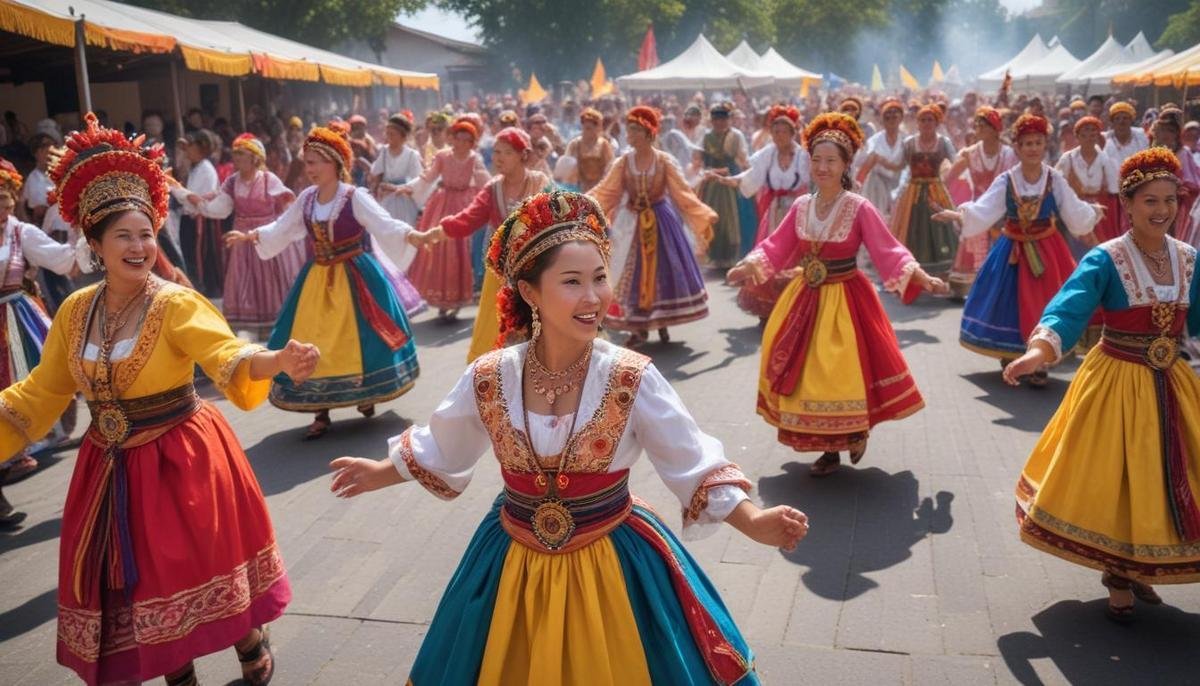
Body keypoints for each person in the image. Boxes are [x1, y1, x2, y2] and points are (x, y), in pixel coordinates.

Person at [328, 190, 808, 684]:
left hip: (614, 557)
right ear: (530, 292)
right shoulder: (490, 376)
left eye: (600, 277)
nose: (593, 297)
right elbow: (444, 444)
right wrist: (379, 472)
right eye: (572, 281)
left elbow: (692, 459)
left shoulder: (630, 377)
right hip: (511, 556)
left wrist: (754, 521)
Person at [0, 112, 319, 686]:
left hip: (181, 457)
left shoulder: (174, 302)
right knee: (142, 583)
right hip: (109, 465)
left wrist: (276, 361)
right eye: (123, 235)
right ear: (94, 244)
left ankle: (248, 637)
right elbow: (42, 391)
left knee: (202, 565)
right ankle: (179, 675)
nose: (140, 245)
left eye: (146, 233)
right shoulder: (74, 311)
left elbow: (226, 353)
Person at [1004, 147, 1200, 622]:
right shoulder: (1106, 258)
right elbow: (1069, 308)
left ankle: (1138, 564)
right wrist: (1039, 352)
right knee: (1118, 476)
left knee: (1162, 475)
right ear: (1127, 205)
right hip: (1115, 381)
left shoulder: (1189, 259)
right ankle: (1118, 572)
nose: (1162, 210)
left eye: (1169, 200)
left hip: (1172, 382)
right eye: (1150, 200)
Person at [726, 113, 947, 477]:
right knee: (807, 371)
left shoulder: (859, 207)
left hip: (846, 298)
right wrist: (747, 266)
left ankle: (855, 431)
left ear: (846, 165)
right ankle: (829, 447)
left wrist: (921, 277)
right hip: (804, 297)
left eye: (831, 160)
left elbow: (888, 250)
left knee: (841, 371)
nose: (822, 167)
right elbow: (776, 245)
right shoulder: (801, 206)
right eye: (816, 159)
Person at [225, 124, 423, 439]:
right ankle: (320, 409)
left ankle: (365, 392)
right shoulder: (307, 198)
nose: (310, 169)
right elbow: (283, 227)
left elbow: (383, 224)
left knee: (363, 336)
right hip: (316, 278)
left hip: (355, 276)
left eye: (315, 162)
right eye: (307, 163)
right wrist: (250, 235)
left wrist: (413, 235)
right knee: (310, 338)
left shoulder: (354, 196)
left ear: (334, 163)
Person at [933, 114, 1102, 386]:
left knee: (1046, 303)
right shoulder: (1007, 179)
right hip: (1012, 249)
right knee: (1008, 301)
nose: (1033, 148)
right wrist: (956, 215)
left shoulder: (1054, 178)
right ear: (1018, 148)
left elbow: (1072, 209)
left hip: (1048, 250)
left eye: (1038, 143)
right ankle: (1011, 351)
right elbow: (985, 209)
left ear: (1045, 145)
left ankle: (1040, 360)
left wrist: (1091, 213)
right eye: (1027, 144)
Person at [413, 127, 552, 363]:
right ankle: (490, 373)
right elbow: (468, 218)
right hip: (500, 271)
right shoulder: (493, 188)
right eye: (496, 152)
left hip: (535, 270)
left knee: (538, 325)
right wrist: (433, 234)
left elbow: (555, 219)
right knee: (493, 325)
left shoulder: (540, 183)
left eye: (507, 152)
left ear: (523, 155)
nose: (498, 158)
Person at [588, 106, 715, 346]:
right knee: (630, 273)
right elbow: (606, 191)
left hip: (661, 223)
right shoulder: (623, 162)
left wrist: (704, 214)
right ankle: (639, 328)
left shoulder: (664, 161)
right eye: (629, 130)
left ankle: (660, 321)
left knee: (661, 271)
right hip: (631, 223)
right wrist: (582, 204)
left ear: (649, 132)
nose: (630, 135)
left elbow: (682, 193)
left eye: (635, 130)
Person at [0, 157, 79, 496]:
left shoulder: (22, 232)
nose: (2, 207)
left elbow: (63, 261)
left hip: (16, 316)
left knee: (23, 375)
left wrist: (79, 232)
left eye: (5, 199)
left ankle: (21, 445)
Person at [184, 134, 305, 339]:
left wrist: (284, 230)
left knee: (270, 280)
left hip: (264, 238)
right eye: (235, 154)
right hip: (241, 240)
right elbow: (220, 209)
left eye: (241, 154)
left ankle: (273, 327)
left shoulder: (268, 180)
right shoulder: (233, 182)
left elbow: (287, 207)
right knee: (244, 280)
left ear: (255, 158)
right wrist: (194, 200)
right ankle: (250, 325)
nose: (236, 159)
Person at [716, 105, 810, 320]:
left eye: (783, 131)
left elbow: (813, 182)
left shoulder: (803, 157)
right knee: (770, 255)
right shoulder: (768, 154)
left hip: (797, 213)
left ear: (793, 133)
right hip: (774, 213)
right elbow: (751, 177)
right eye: (775, 131)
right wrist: (729, 181)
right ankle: (769, 305)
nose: (778, 136)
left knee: (796, 258)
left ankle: (795, 305)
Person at [401, 116, 490, 319]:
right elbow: (428, 176)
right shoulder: (442, 156)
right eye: (458, 138)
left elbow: (485, 182)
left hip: (463, 204)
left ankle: (457, 297)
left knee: (460, 249)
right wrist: (408, 188)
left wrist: (495, 196)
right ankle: (441, 295)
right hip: (442, 203)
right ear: (452, 138)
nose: (462, 143)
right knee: (438, 247)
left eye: (467, 140)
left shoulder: (474, 159)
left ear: (472, 143)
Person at [941, 106, 1019, 298]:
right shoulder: (970, 153)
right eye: (977, 125)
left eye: (984, 125)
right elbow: (948, 179)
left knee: (1001, 255)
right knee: (974, 260)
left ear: (995, 128)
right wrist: (943, 199)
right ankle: (976, 292)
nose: (979, 128)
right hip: (977, 211)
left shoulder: (1009, 154)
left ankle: (998, 290)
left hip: (1002, 214)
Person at [366, 113, 427, 316]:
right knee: (386, 241)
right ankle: (393, 287)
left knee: (404, 240)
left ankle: (407, 288)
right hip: (387, 202)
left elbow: (418, 180)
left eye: (393, 134)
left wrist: (398, 187)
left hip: (404, 201)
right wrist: (375, 183)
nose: (389, 137)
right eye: (388, 133)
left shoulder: (410, 155)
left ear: (402, 135)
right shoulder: (384, 152)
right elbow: (375, 172)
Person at [889, 104, 959, 277]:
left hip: (936, 189)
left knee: (940, 224)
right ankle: (912, 268)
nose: (926, 123)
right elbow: (898, 165)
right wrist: (877, 161)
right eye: (922, 120)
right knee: (911, 226)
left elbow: (956, 163)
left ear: (937, 123)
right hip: (913, 191)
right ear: (917, 123)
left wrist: (949, 176)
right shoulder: (909, 143)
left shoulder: (943, 142)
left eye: (930, 120)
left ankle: (942, 267)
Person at [698, 102, 757, 267]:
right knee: (713, 218)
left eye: (723, 119)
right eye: (716, 119)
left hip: (731, 181)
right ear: (711, 121)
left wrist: (728, 173)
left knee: (734, 218)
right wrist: (708, 172)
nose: (719, 123)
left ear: (728, 120)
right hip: (711, 183)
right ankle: (715, 255)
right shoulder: (706, 137)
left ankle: (734, 256)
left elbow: (742, 160)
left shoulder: (736, 136)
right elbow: (702, 160)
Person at [170, 130, 224, 296]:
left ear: (201, 147)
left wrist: (175, 188)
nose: (187, 149)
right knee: (190, 257)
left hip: (200, 220)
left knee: (200, 258)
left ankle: (205, 290)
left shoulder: (206, 169)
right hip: (191, 218)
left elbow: (196, 198)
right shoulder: (196, 167)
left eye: (191, 146)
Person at [1056, 117, 1122, 245]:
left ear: (1098, 136)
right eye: (1084, 135)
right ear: (1077, 137)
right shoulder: (1068, 159)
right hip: (1075, 209)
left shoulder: (1107, 160)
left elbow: (1115, 190)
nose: (1089, 138)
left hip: (1102, 213)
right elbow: (1057, 184)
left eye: (1093, 134)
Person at [855, 99, 906, 222]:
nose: (891, 120)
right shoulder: (875, 140)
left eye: (895, 116)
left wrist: (886, 163)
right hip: (877, 186)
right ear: (882, 120)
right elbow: (862, 162)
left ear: (901, 118)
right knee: (878, 218)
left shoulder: (907, 140)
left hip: (900, 183)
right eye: (887, 117)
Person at [559, 107, 615, 193]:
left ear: (598, 128)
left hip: (599, 188)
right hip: (578, 188)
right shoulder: (575, 144)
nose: (586, 131)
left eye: (590, 128)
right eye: (585, 128)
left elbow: (610, 168)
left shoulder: (604, 144)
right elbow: (567, 169)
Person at [1103, 101, 1149, 166]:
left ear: (1131, 120)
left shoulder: (1141, 137)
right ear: (1112, 122)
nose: (1121, 122)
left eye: (1125, 118)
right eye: (1117, 118)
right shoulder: (1104, 139)